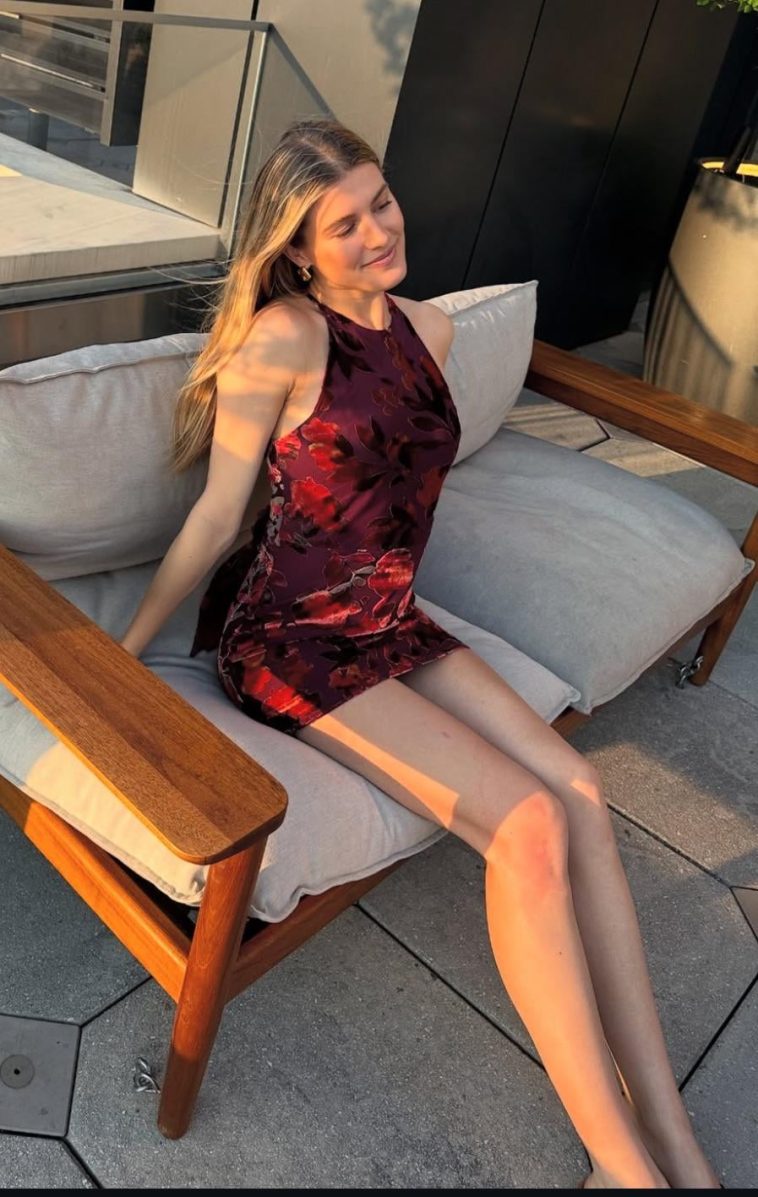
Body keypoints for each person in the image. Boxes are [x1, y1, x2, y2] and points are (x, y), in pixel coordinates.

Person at [120, 116, 721, 1190]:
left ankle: (671, 1138)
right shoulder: (285, 338)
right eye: (342, 224)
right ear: (299, 250)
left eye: (381, 202)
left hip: (392, 620)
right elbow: (218, 517)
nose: (377, 232)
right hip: (292, 639)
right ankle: (624, 1167)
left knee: (581, 793)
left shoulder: (430, 331)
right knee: (527, 823)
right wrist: (123, 657)